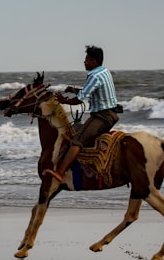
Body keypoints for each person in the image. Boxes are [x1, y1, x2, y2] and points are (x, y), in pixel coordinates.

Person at [44, 45, 121, 184]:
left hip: (102, 116)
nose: (84, 62)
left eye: (87, 60)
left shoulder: (94, 76)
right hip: (111, 114)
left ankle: (60, 173)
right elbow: (87, 90)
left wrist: (64, 101)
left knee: (76, 141)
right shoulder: (104, 71)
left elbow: (80, 99)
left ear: (94, 61)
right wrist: (70, 89)